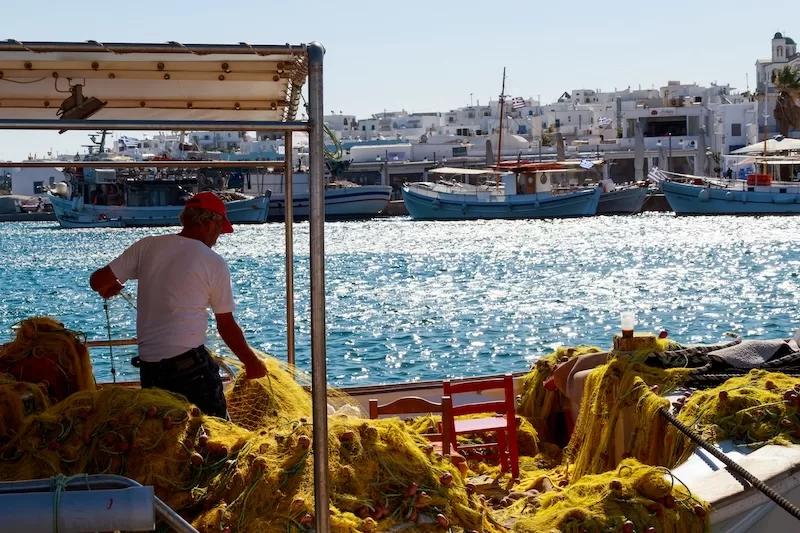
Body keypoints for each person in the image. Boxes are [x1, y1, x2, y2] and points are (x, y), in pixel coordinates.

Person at [89, 192, 267, 418]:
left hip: (150, 371)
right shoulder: (213, 262)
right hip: (190, 371)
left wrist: (111, 286)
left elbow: (97, 281)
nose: (218, 237)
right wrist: (251, 363)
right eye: (220, 229)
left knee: (167, 438)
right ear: (210, 222)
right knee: (216, 437)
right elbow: (226, 325)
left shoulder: (147, 246)